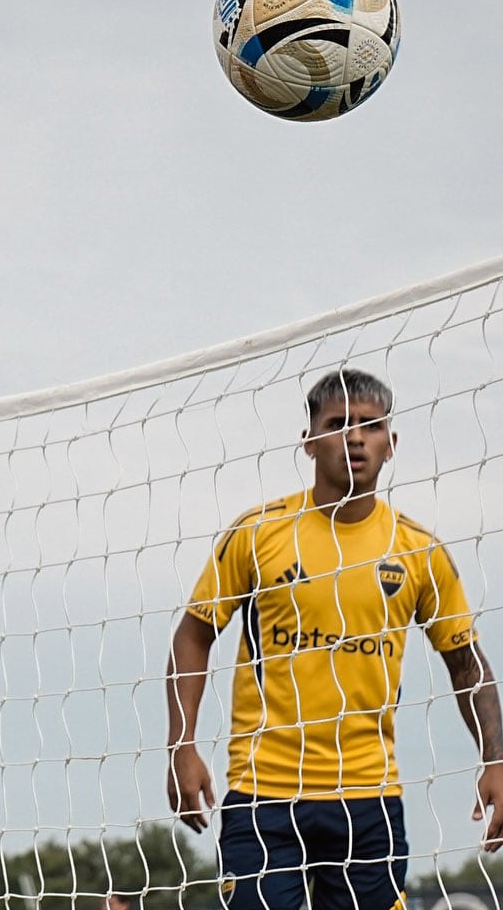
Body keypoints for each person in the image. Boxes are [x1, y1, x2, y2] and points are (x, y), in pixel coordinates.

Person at [165, 369, 503, 910]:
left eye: (370, 426)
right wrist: (182, 746)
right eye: (338, 423)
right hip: (264, 796)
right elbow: (193, 634)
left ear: (390, 446)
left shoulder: (418, 550)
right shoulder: (258, 533)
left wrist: (496, 759)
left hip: (369, 801)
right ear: (309, 441)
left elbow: (466, 662)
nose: (354, 437)